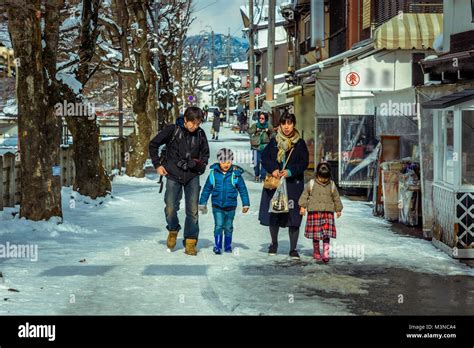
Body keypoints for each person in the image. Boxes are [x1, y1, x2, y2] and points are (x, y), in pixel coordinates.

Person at [149, 107, 210, 256]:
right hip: (173, 175)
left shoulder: (201, 134)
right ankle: (173, 229)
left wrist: (196, 164)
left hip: (192, 176)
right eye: (193, 123)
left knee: (193, 211)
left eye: (198, 124)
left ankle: (190, 241)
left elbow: (205, 156)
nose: (195, 127)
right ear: (185, 120)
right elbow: (153, 144)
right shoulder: (172, 130)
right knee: (170, 207)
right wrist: (157, 165)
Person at [259, 112, 309, 260]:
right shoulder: (274, 142)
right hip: (276, 184)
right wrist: (273, 169)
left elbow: (304, 162)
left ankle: (293, 249)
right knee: (274, 214)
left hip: (293, 185)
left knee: (294, 216)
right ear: (280, 125)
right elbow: (264, 158)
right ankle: (273, 244)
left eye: (289, 123)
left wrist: (290, 171)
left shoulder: (299, 143)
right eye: (284, 123)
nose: (287, 127)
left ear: (294, 125)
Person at [198, 148, 250, 254]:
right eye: (223, 161)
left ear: (232, 161)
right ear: (219, 161)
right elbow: (207, 189)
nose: (226, 164)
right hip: (217, 205)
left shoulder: (236, 174)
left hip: (231, 205)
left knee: (228, 226)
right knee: (218, 225)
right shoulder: (213, 174)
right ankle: (217, 245)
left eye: (229, 161)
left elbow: (243, 189)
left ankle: (227, 245)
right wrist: (202, 203)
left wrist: (246, 204)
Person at [298, 162, 343, 263]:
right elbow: (305, 195)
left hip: (327, 214)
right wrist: (302, 206)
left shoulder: (331, 185)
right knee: (316, 234)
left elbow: (336, 198)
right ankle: (316, 251)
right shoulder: (311, 183)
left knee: (326, 234)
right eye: (321, 178)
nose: (323, 180)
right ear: (317, 175)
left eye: (325, 178)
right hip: (314, 213)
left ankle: (326, 253)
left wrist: (338, 209)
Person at [248, 112, 274, 182]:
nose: (261, 120)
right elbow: (249, 132)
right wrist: (255, 130)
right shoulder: (255, 125)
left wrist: (268, 132)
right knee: (256, 162)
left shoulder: (269, 126)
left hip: (265, 147)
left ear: (266, 119)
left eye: (262, 118)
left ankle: (262, 176)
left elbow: (274, 134)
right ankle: (257, 175)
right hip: (256, 147)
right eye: (260, 118)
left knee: (264, 163)